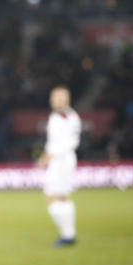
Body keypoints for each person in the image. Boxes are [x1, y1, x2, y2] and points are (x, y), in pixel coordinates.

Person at [35, 85, 81, 247]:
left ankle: (68, 235)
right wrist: (45, 156)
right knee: (60, 197)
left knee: (52, 196)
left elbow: (71, 142)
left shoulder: (69, 117)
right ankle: (68, 234)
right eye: (55, 97)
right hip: (57, 160)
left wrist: (50, 155)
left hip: (62, 160)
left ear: (67, 99)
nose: (58, 100)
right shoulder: (56, 117)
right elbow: (52, 141)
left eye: (61, 97)